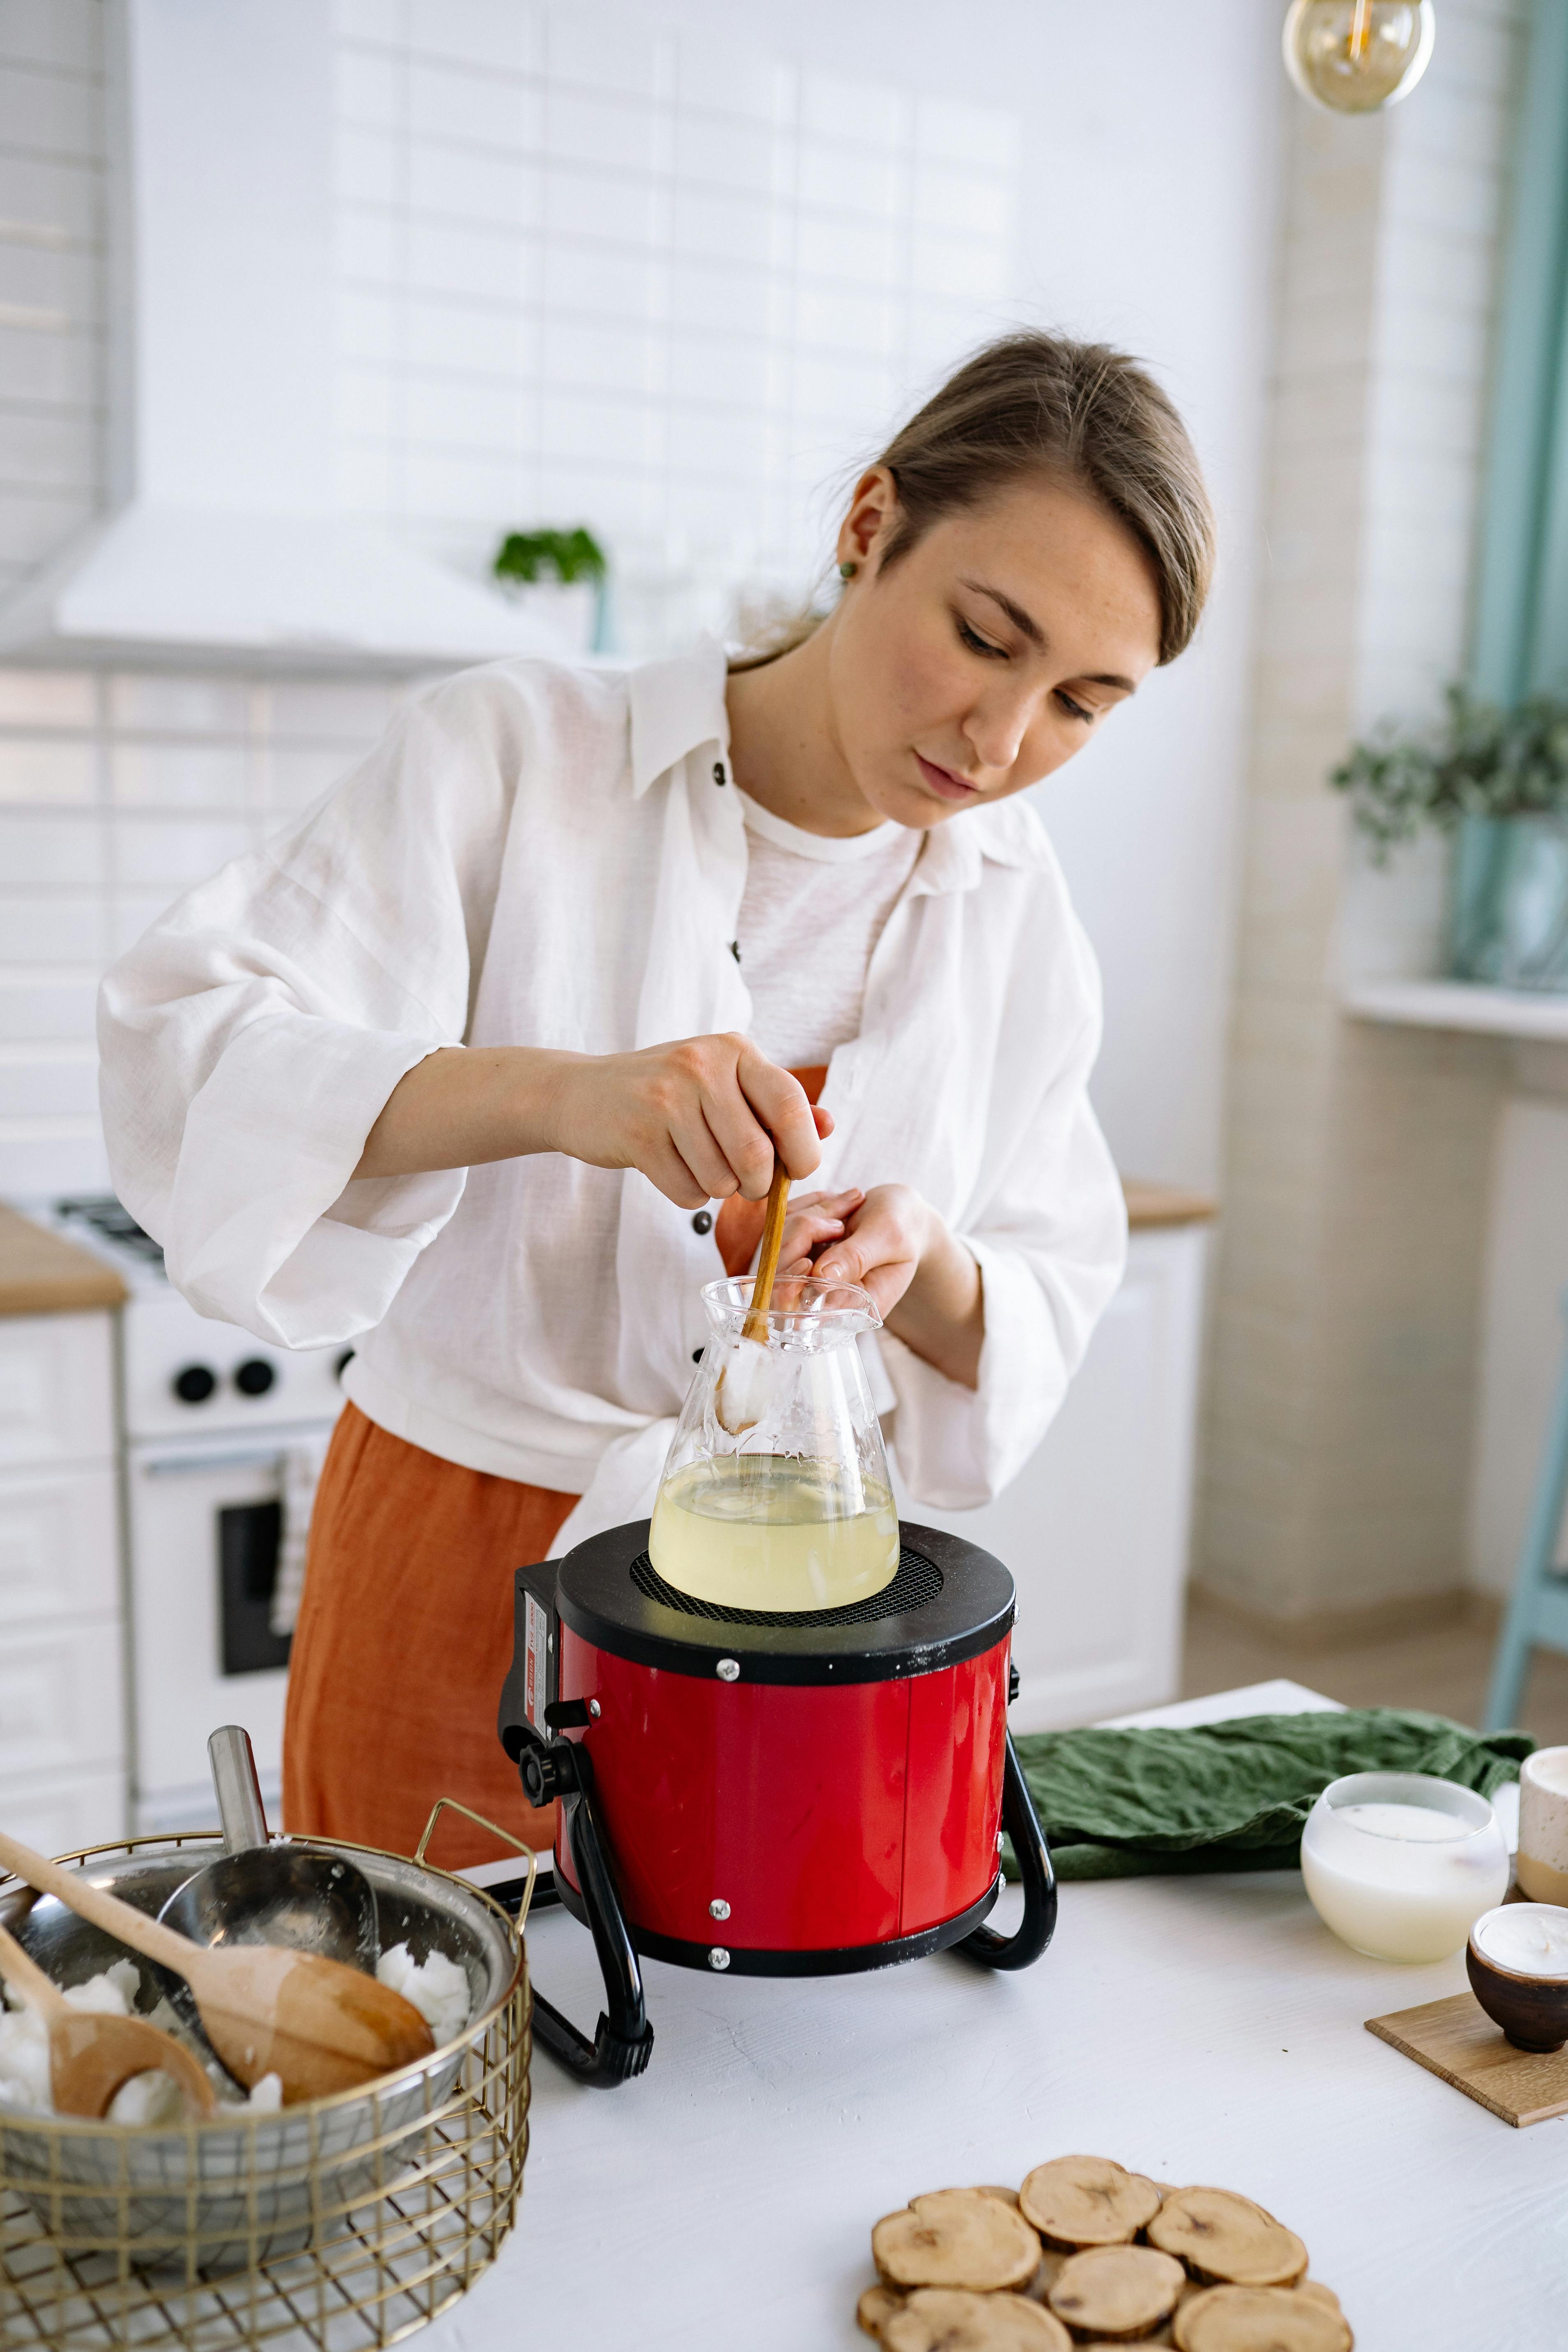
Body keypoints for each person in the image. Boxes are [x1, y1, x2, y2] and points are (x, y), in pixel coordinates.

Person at [99, 332, 1215, 1866]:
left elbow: (1033, 1294)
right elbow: (189, 1044)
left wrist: (918, 1258)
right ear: (870, 523)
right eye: (981, 635)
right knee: (436, 2044)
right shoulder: (512, 753)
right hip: (460, 1562)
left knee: (739, 2070)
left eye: (1084, 701)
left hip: (801, 1587)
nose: (1001, 739)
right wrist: (565, 1096)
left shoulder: (1016, 904)